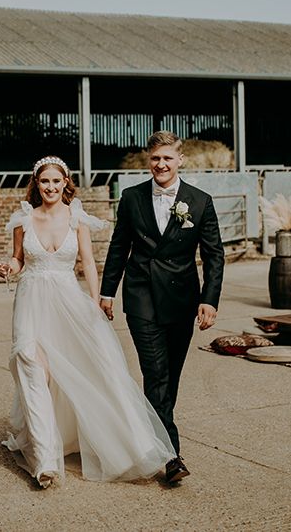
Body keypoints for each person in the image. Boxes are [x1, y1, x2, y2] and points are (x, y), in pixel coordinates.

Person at [0, 155, 175, 489]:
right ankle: (46, 462)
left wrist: (95, 303)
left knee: (95, 369)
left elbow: (89, 264)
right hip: (31, 302)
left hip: (69, 303)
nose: (50, 187)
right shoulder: (23, 219)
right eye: (44, 181)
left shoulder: (76, 218)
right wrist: (8, 268)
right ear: (36, 184)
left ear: (66, 183)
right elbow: (19, 260)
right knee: (32, 369)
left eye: (56, 181)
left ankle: (128, 442)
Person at [99, 131, 225, 484]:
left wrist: (209, 299)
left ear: (180, 160)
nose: (161, 164)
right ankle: (171, 457)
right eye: (155, 158)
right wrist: (108, 291)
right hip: (140, 298)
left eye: (167, 158)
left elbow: (214, 256)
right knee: (155, 374)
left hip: (182, 300)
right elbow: (118, 246)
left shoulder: (200, 202)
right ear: (148, 160)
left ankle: (150, 437)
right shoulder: (131, 197)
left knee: (169, 379)